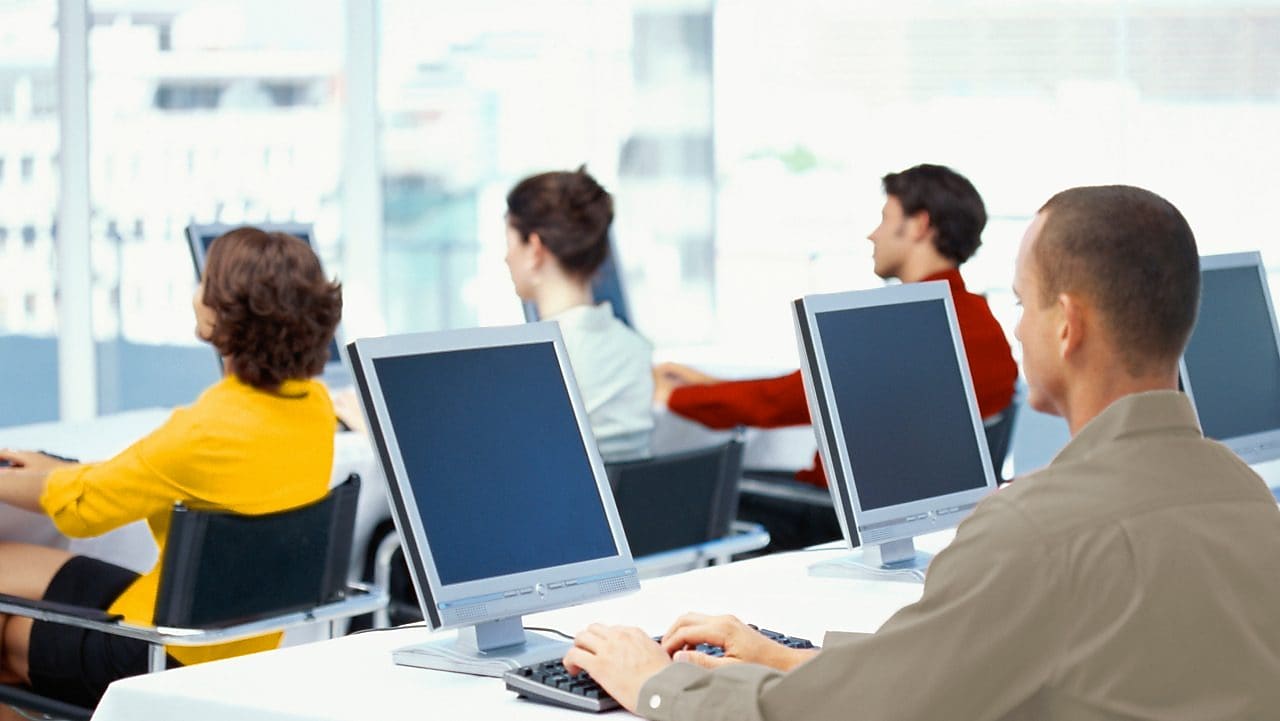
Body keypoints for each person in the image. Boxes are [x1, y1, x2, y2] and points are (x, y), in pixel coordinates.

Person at [562, 185, 1280, 719]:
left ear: (1068, 326)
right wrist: (787, 655)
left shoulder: (1034, 533)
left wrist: (655, 682)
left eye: (1025, 303)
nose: (1017, 327)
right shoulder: (1248, 502)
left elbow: (852, 714)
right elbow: (989, 664)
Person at [0, 227, 343, 709]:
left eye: (204, 282)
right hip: (239, 637)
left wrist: (12, 479)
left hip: (168, 652)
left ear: (226, 313)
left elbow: (84, 508)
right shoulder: (314, 407)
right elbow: (143, 474)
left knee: (4, 643)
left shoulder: (205, 430)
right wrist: (45, 470)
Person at [655, 164, 1018, 487]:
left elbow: (780, 404)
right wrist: (710, 384)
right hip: (931, 520)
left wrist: (672, 396)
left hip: (835, 522)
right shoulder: (985, 325)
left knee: (705, 488)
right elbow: (809, 392)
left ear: (919, 225)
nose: (872, 235)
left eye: (884, 219)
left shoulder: (899, 326)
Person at [505, 166, 654, 461]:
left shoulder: (531, 362)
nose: (505, 257)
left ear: (535, 249)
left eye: (509, 243)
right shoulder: (635, 349)